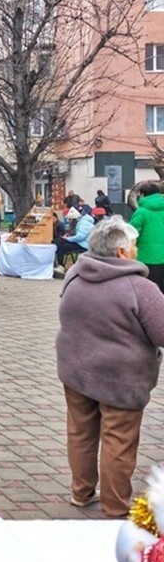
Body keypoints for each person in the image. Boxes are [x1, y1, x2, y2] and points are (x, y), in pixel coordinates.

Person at [56, 215, 164, 517]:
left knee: (80, 432)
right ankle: (114, 506)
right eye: (133, 244)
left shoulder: (75, 275)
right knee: (118, 440)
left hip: (76, 370)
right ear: (120, 252)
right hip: (121, 379)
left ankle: (81, 492)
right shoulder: (140, 288)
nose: (136, 249)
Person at [130, 181, 164, 293]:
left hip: (146, 259)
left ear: (142, 195)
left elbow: (132, 235)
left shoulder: (141, 212)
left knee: (149, 294)